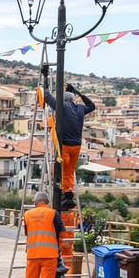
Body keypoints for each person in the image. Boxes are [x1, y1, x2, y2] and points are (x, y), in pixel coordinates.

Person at [43, 74, 96, 208]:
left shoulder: (62, 106)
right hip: (77, 146)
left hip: (65, 145)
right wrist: (76, 92)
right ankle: (68, 194)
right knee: (69, 170)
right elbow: (92, 105)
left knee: (63, 170)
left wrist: (45, 82)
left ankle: (65, 196)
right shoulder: (80, 108)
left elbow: (47, 98)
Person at [18, 191, 65, 278]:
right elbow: (62, 234)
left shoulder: (27, 215)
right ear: (47, 202)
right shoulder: (52, 213)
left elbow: (27, 233)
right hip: (49, 256)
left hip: (32, 256)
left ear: (35, 202)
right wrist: (59, 248)